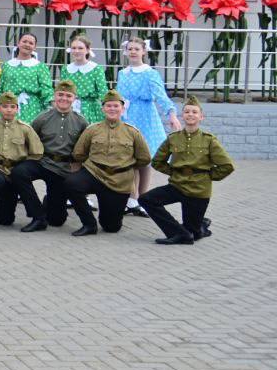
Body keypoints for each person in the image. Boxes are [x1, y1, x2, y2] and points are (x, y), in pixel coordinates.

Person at [142, 95, 234, 244]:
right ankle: (178, 233)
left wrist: (207, 176)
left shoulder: (209, 140)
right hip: (177, 185)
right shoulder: (173, 138)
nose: (190, 114)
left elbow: (227, 166)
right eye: (187, 112)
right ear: (182, 115)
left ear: (201, 117)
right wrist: (173, 172)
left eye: (194, 112)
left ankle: (200, 226)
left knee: (194, 234)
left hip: (199, 189)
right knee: (146, 199)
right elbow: (157, 161)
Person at [66, 90, 152, 236]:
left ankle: (108, 217)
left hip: (119, 181)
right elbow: (78, 153)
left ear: (122, 109)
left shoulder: (133, 133)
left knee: (111, 226)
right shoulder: (92, 130)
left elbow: (144, 158)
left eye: (116, 106)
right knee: (71, 183)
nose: (112, 109)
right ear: (103, 109)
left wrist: (126, 167)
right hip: (94, 174)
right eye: (109, 106)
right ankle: (89, 224)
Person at [13, 79, 89, 232]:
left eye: (68, 96)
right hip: (42, 162)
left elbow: (84, 149)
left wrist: (77, 168)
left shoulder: (81, 122)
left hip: (62, 169)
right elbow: (30, 139)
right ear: (54, 96)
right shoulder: (43, 118)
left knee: (57, 220)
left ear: (74, 98)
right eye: (60, 94)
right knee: (18, 172)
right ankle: (37, 216)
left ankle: (49, 203)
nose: (64, 99)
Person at [117, 37, 181, 215]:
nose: (133, 52)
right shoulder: (123, 73)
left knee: (144, 159)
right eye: (130, 49)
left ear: (143, 51)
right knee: (128, 159)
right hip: (127, 116)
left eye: (137, 49)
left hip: (145, 116)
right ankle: (131, 198)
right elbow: (118, 95)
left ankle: (143, 199)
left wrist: (172, 114)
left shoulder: (150, 73)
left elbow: (160, 94)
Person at [0, 92, 44, 232]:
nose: (9, 109)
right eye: (5, 106)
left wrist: (23, 167)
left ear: (17, 109)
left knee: (5, 220)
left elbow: (37, 152)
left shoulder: (25, 129)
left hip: (15, 169)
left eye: (12, 106)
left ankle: (38, 217)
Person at [0, 33, 53, 122]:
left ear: (35, 47)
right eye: (24, 41)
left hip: (32, 108)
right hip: (8, 107)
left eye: (31, 43)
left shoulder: (40, 67)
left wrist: (51, 109)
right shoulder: (7, 65)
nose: (27, 44)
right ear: (18, 43)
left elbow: (46, 90)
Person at [63, 36, 106, 123]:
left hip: (90, 109)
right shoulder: (66, 68)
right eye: (74, 48)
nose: (77, 51)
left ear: (87, 50)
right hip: (69, 108)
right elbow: (62, 90)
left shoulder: (96, 68)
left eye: (80, 48)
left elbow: (103, 92)